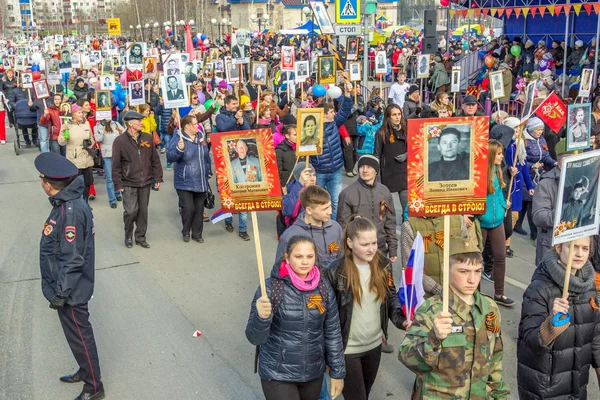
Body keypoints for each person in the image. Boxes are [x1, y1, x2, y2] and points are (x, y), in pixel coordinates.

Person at [399, 236, 510, 399]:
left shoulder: (489, 308)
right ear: (445, 269)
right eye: (463, 271)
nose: (472, 279)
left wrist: (500, 395)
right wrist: (433, 338)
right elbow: (408, 359)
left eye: (478, 271)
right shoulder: (431, 310)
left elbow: (494, 360)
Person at [34, 152, 105, 400]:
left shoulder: (70, 210)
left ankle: (93, 387)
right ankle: (85, 371)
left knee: (81, 337)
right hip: (66, 287)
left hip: (71, 291)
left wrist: (61, 293)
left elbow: (73, 258)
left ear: (49, 185)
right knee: (76, 338)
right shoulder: (66, 203)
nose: (41, 182)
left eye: (42, 179)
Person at [245, 236, 345, 400]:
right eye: (298, 256)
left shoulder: (324, 287)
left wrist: (338, 373)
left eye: (309, 256)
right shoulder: (271, 288)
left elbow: (333, 333)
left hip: (313, 373)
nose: (305, 262)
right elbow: (254, 338)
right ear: (287, 257)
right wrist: (261, 318)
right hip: (278, 374)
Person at [324, 217, 408, 400]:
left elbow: (390, 296)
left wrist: (402, 320)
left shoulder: (383, 265)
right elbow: (326, 316)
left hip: (374, 346)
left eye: (374, 243)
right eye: (365, 244)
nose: (371, 248)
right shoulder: (334, 271)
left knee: (365, 394)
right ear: (350, 243)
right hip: (347, 350)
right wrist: (328, 355)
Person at [517, 236, 599, 399]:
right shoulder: (539, 288)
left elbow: (596, 335)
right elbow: (530, 342)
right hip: (545, 389)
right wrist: (550, 324)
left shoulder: (589, 287)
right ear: (559, 247)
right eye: (573, 247)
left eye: (585, 248)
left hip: (577, 386)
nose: (579, 254)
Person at [112, 111, 163, 248]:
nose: (142, 123)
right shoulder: (120, 141)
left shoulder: (147, 137)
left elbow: (155, 159)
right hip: (128, 181)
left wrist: (158, 176)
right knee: (130, 211)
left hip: (145, 181)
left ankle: (140, 237)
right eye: (138, 121)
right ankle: (128, 235)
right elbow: (115, 164)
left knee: (143, 212)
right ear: (129, 124)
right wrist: (118, 183)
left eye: (142, 120)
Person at [337, 155, 398, 262]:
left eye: (369, 167)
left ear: (376, 170)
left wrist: (393, 249)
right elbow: (343, 227)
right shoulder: (347, 194)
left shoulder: (384, 191)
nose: (365, 170)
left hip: (381, 249)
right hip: (358, 252)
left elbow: (390, 222)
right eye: (362, 167)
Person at [312, 82, 354, 220]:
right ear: (323, 115)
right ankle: (318, 224)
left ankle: (333, 226)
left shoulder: (335, 123)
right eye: (331, 112)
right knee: (318, 202)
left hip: (335, 170)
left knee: (335, 202)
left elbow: (345, 110)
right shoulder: (312, 129)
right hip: (319, 172)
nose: (334, 113)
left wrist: (348, 94)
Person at [479, 140, 514, 306]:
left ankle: (499, 294)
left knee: (500, 257)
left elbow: (500, 192)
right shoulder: (479, 173)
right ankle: (474, 294)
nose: (502, 156)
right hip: (481, 221)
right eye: (499, 154)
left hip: (497, 221)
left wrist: (502, 205)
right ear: (491, 154)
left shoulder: (497, 170)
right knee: (476, 259)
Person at [167, 115, 211, 243]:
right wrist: (178, 150)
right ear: (187, 126)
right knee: (188, 208)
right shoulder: (178, 138)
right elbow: (170, 157)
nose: (197, 126)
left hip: (201, 179)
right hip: (184, 180)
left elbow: (206, 157)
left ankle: (197, 233)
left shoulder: (200, 138)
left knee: (199, 209)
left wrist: (208, 171)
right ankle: (186, 231)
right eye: (194, 124)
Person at [275, 185, 344, 268]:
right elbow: (280, 268)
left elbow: (342, 257)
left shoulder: (335, 228)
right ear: (309, 210)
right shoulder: (290, 235)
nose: (330, 212)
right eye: (324, 209)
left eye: (330, 206)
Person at [215, 95, 251, 240]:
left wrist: (242, 122)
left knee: (243, 192)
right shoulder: (220, 117)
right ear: (227, 104)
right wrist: (235, 118)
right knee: (228, 192)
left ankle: (243, 228)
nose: (237, 105)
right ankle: (228, 220)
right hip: (226, 158)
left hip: (242, 157)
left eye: (237, 103)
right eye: (234, 103)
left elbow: (249, 131)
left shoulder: (241, 114)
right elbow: (223, 128)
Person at [374, 104, 408, 220]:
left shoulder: (406, 130)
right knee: (387, 210)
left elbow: (416, 147)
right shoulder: (381, 132)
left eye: (399, 114)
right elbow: (376, 155)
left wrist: (407, 155)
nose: (397, 117)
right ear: (388, 117)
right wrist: (377, 176)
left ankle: (406, 231)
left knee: (407, 208)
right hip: (387, 173)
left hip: (404, 173)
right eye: (394, 115)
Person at [57, 103, 95, 202]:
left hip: (86, 158)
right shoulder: (67, 126)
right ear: (73, 114)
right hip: (74, 160)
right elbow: (61, 142)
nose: (81, 114)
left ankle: (85, 203)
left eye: (82, 112)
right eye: (79, 112)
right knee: (76, 185)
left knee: (87, 183)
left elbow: (91, 137)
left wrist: (91, 144)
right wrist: (63, 132)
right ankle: (76, 204)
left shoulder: (86, 123)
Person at [95, 119, 125, 208]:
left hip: (118, 153)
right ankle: (112, 199)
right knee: (110, 178)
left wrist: (125, 122)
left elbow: (124, 134)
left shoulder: (116, 123)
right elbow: (98, 139)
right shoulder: (97, 126)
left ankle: (117, 192)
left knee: (118, 175)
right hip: (107, 155)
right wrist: (103, 127)